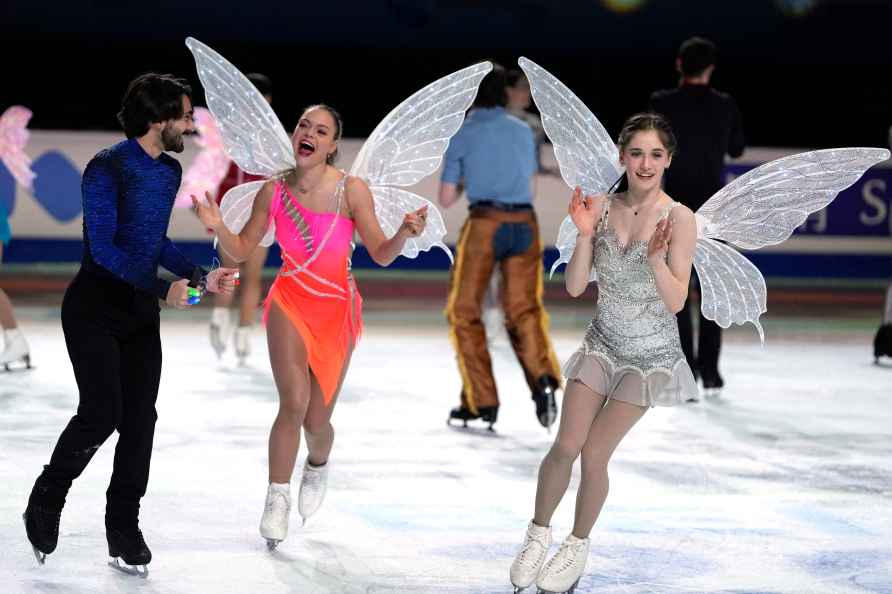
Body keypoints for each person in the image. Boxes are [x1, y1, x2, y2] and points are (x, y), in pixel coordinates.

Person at [23, 73, 237, 576]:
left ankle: (123, 527)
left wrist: (198, 274)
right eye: (185, 115)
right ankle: (47, 497)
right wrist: (163, 288)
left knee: (141, 422)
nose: (191, 123)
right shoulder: (107, 168)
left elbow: (152, 241)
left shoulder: (167, 172)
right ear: (158, 118)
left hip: (140, 312)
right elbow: (104, 248)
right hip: (94, 308)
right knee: (101, 414)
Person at [192, 104, 429, 549]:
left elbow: (380, 253)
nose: (309, 134)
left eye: (321, 130)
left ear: (333, 145)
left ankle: (317, 463)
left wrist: (403, 233)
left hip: (337, 309)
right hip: (290, 300)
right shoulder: (273, 192)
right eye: (303, 125)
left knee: (317, 421)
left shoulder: (351, 191)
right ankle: (276, 497)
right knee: (294, 403)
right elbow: (242, 249)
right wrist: (218, 225)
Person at [509, 113, 699, 593]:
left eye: (656, 154)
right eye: (636, 153)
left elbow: (676, 302)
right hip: (602, 342)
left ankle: (575, 547)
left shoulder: (680, 218)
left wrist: (656, 258)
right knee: (564, 447)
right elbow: (574, 287)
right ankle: (536, 535)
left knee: (594, 455)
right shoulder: (600, 205)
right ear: (622, 157)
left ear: (669, 160)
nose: (645, 162)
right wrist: (585, 232)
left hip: (651, 354)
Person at [439, 63, 562, 432]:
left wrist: (465, 178)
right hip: (525, 224)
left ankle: (481, 401)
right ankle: (542, 379)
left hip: (485, 224)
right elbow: (530, 188)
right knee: (524, 309)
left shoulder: (462, 132)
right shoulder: (524, 131)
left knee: (464, 312)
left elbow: (446, 198)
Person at [649, 36, 745, 397]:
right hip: (714, 210)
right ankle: (711, 371)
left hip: (674, 208)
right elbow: (736, 148)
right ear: (711, 69)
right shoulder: (725, 105)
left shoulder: (661, 103)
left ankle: (685, 368)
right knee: (710, 291)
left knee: (676, 289)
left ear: (679, 64)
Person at [208, 73, 273, 363]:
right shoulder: (228, 132)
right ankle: (228, 323)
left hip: (252, 210)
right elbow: (215, 171)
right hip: (237, 209)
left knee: (240, 273)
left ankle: (236, 328)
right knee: (235, 272)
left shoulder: (266, 135)